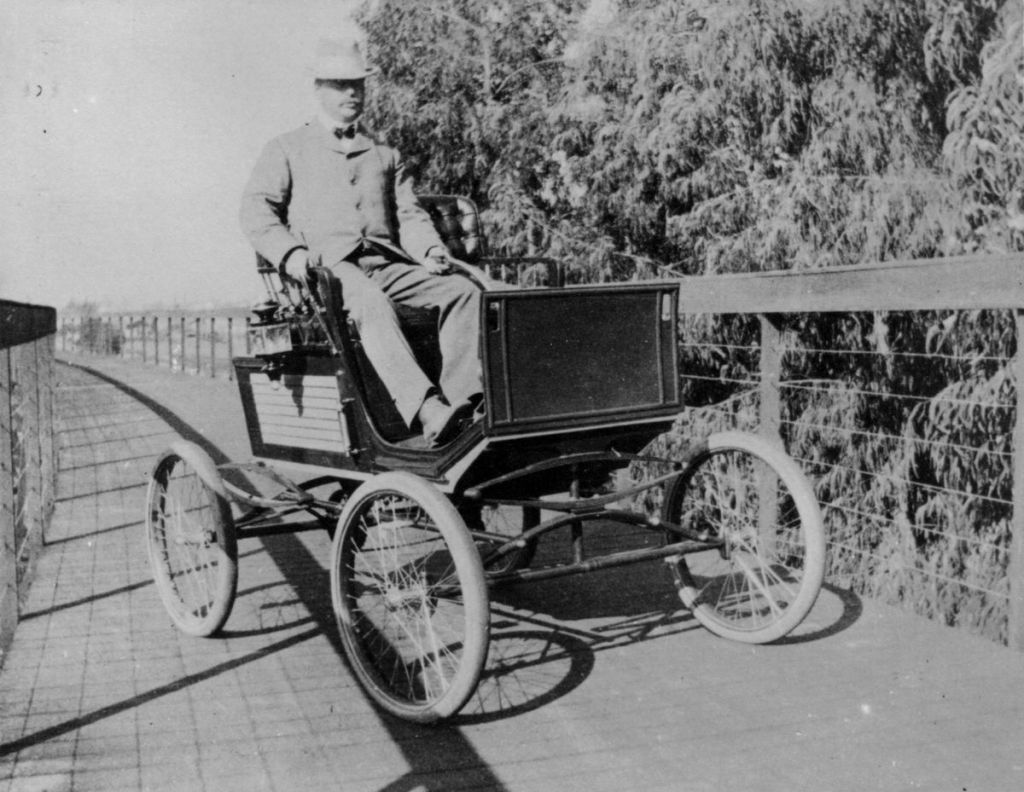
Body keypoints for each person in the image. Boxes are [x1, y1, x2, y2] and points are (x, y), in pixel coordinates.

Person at [240, 37, 482, 447]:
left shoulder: (385, 154)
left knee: (462, 291)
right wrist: (291, 253)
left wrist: (429, 250)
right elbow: (255, 211)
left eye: (358, 84)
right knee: (370, 303)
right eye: (340, 85)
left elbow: (408, 214)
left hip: (386, 264)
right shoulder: (287, 148)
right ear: (318, 89)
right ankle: (428, 411)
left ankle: (466, 404)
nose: (352, 93)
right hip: (326, 272)